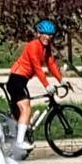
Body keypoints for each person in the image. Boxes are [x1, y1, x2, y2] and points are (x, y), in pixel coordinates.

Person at [7, 19, 67, 156]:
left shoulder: (46, 48)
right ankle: (19, 142)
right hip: (16, 78)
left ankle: (22, 130)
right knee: (26, 108)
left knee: (25, 111)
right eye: (45, 34)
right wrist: (47, 85)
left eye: (50, 35)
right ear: (39, 34)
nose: (48, 37)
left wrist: (61, 80)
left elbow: (51, 64)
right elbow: (36, 67)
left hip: (22, 80)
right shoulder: (33, 46)